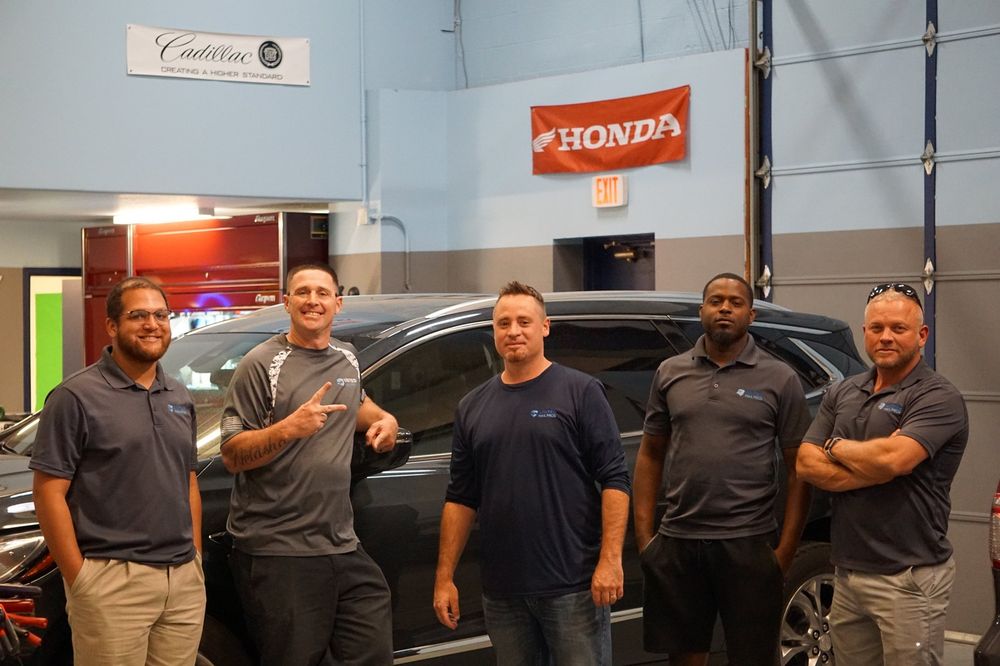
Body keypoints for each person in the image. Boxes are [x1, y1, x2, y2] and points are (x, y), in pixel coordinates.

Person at [433, 281, 631, 665]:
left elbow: (615, 478)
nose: (514, 331)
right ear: (493, 331)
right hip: (503, 594)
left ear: (545, 327)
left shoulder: (580, 391)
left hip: (573, 587)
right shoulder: (472, 406)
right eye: (503, 323)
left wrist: (610, 560)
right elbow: (460, 497)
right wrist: (444, 578)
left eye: (524, 322)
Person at [220, 263, 399, 666]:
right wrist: (288, 429)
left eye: (322, 293)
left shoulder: (347, 358)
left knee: (371, 646)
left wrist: (386, 421)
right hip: (280, 550)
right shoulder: (260, 364)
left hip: (341, 542)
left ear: (338, 303)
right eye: (302, 292)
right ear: (287, 302)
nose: (312, 301)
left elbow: (358, 405)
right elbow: (232, 454)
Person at [633, 272, 812, 666]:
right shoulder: (670, 372)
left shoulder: (780, 378)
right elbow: (650, 454)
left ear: (751, 314)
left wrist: (784, 551)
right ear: (702, 311)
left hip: (748, 543)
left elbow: (799, 469)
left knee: (753, 658)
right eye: (716, 301)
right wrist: (646, 539)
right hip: (679, 542)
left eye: (735, 302)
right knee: (684, 658)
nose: (725, 309)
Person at [30, 276, 205, 666]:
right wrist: (81, 580)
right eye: (138, 315)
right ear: (112, 325)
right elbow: (48, 492)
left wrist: (194, 557)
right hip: (111, 581)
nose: (152, 325)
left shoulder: (179, 394)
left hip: (181, 580)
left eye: (160, 315)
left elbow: (187, 479)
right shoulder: (75, 396)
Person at [796, 282, 968, 666]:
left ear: (922, 335)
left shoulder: (937, 396)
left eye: (898, 328)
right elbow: (805, 463)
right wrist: (872, 469)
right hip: (847, 574)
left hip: (908, 578)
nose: (885, 336)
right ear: (865, 332)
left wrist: (835, 447)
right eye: (877, 328)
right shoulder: (843, 392)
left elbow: (895, 460)